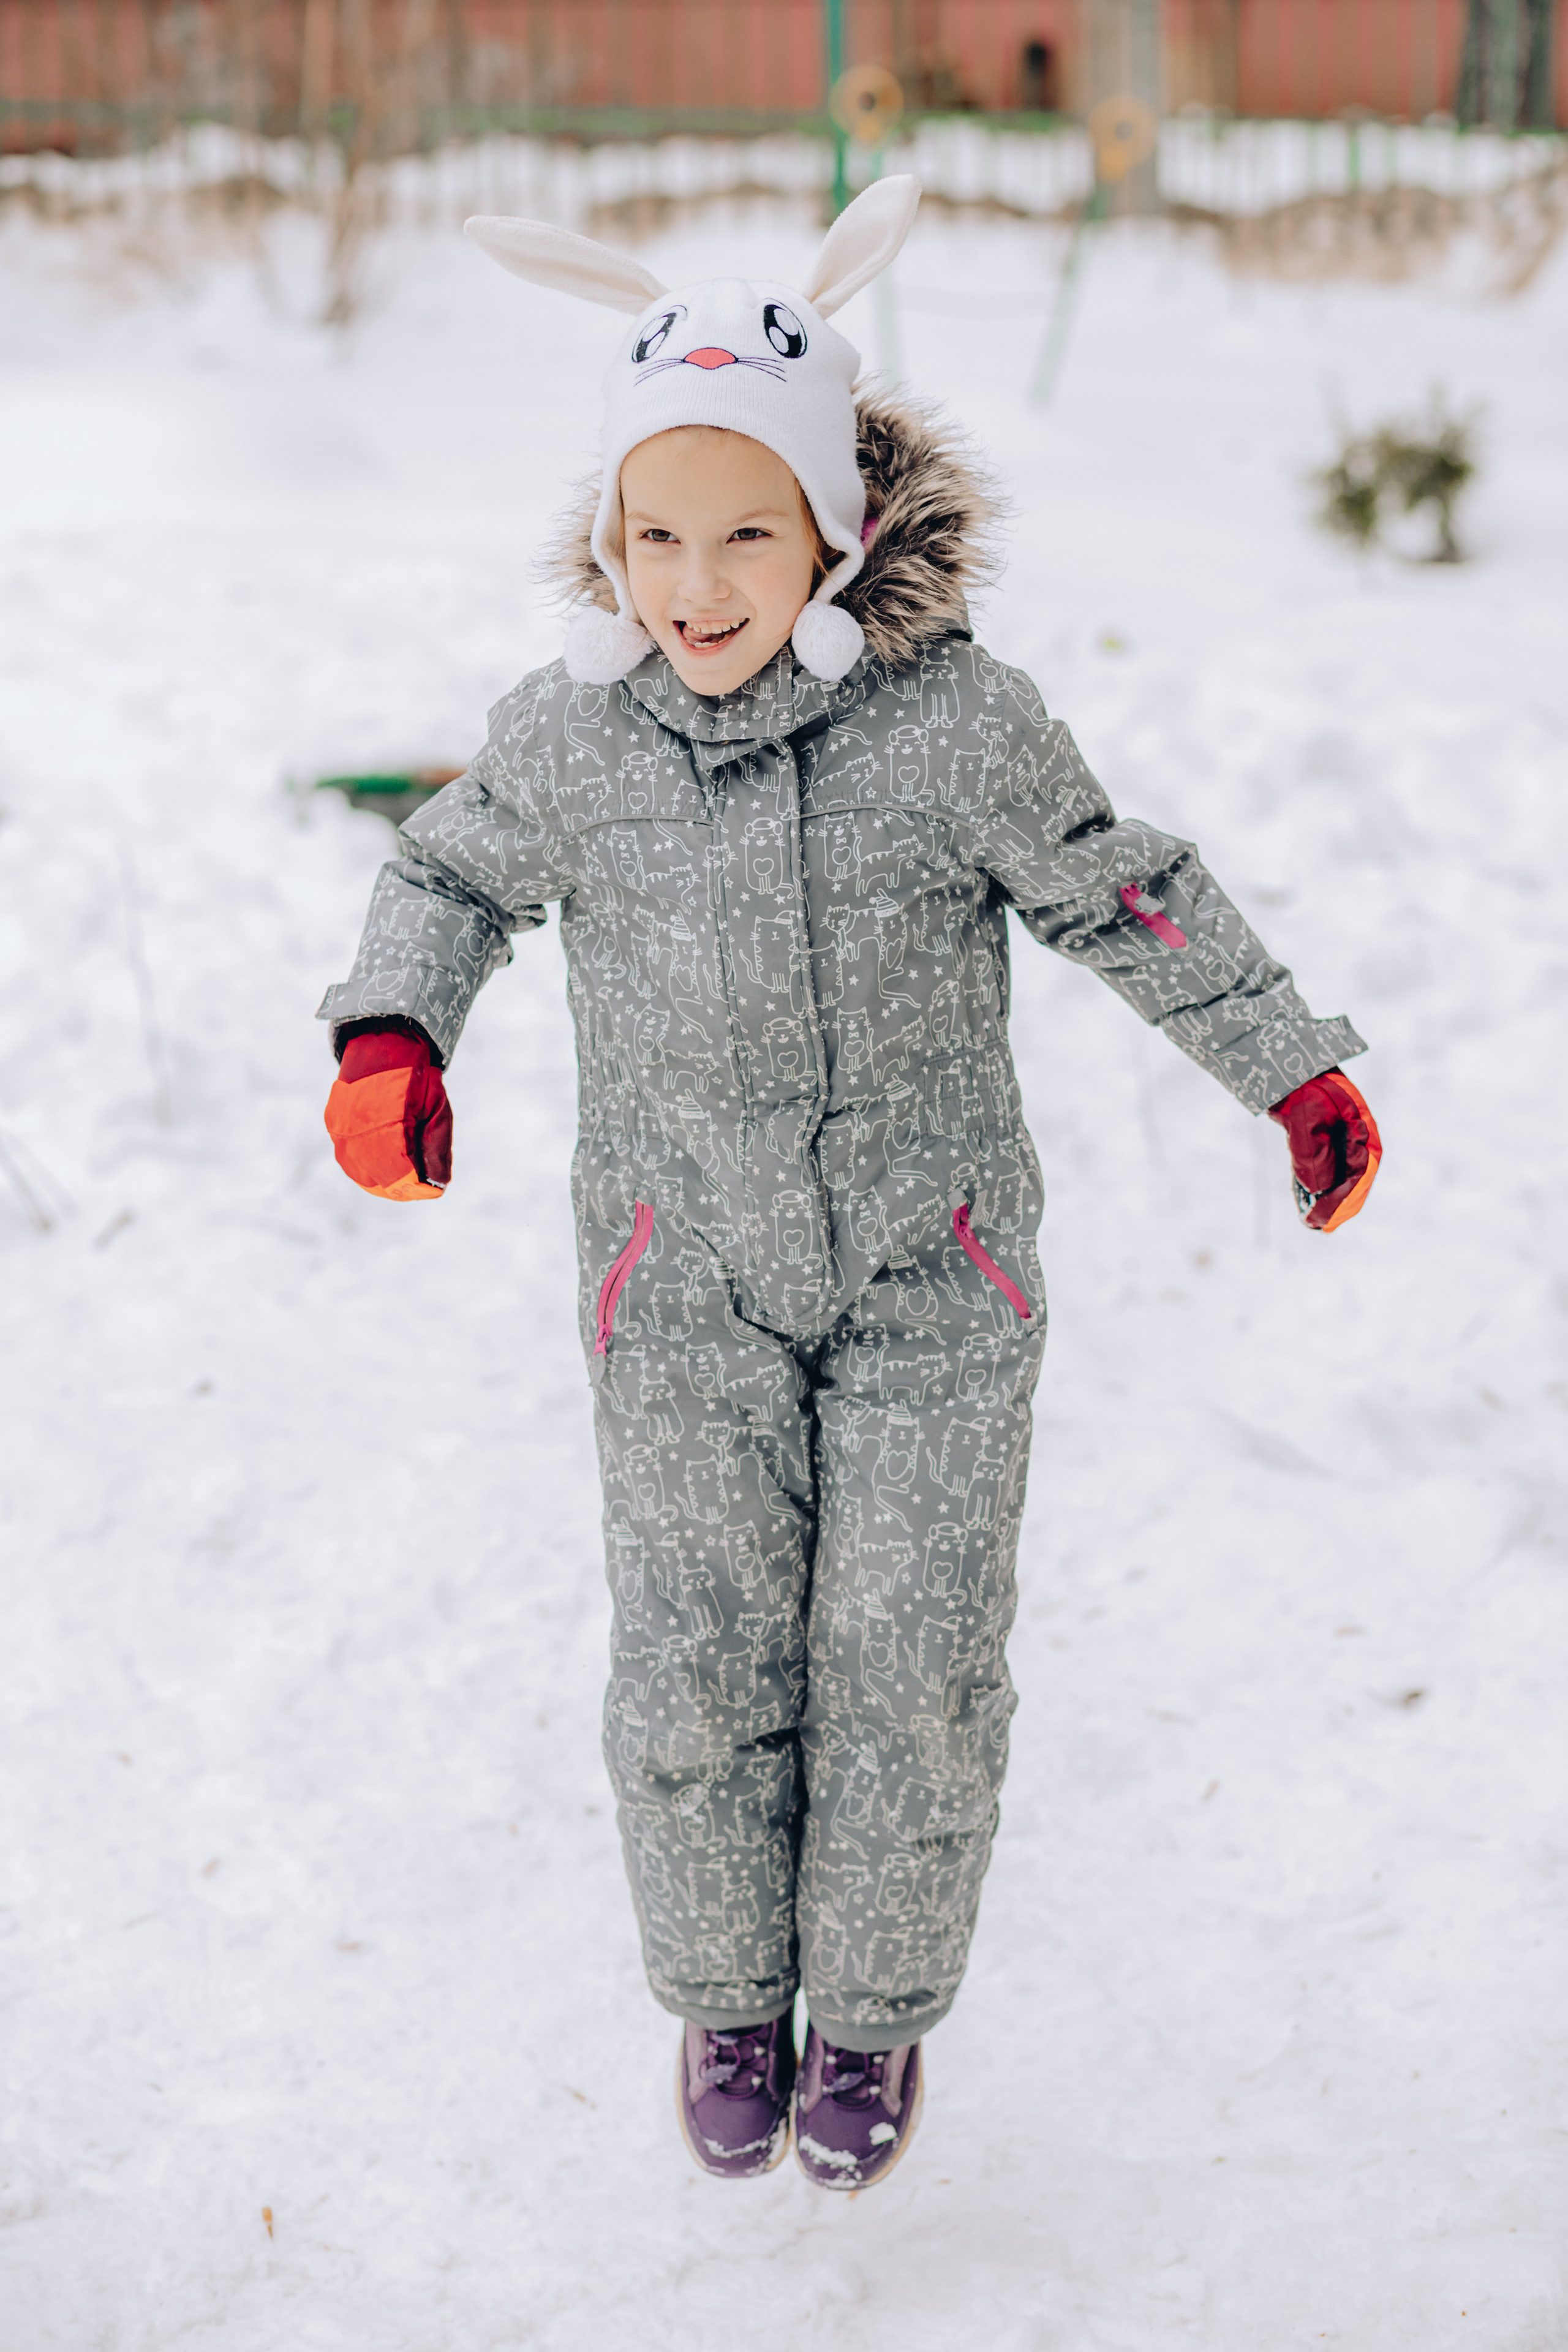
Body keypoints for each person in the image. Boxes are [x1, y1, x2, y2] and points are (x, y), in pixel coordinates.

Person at [318, 179, 1381, 2193]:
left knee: (910, 1654)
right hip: (678, 1272)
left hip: (933, 1275)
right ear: (606, 541)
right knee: (702, 1643)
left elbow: (1114, 882)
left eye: (743, 533)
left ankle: (873, 2021)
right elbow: (445, 871)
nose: (694, 585)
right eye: (653, 535)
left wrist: (1289, 1061)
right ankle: (728, 1990)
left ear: (836, 530)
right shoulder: (572, 735)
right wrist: (395, 1031)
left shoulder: (951, 726)